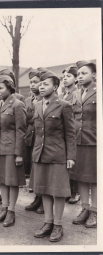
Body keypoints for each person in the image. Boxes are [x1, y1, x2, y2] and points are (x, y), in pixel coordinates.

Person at [32, 71, 76, 242]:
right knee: (44, 189)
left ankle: (58, 225)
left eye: (45, 84)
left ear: (55, 87)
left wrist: (70, 156)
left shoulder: (64, 105)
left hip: (58, 154)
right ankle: (47, 222)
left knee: (57, 192)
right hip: (40, 154)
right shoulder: (37, 105)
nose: (41, 87)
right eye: (40, 84)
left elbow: (70, 134)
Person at [0, 74, 26, 227]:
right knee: (2, 180)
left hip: (11, 149)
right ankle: (4, 208)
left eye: (0, 88)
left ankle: (11, 211)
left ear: (9, 88)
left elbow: (21, 131)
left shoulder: (17, 104)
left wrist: (19, 154)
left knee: (12, 181)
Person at [70, 61, 97, 228]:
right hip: (77, 141)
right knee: (80, 176)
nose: (80, 76)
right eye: (78, 74)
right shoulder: (75, 94)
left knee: (94, 179)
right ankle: (85, 208)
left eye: (84, 73)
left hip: (93, 141)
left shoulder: (98, 92)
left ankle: (95, 210)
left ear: (94, 75)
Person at [24, 68, 46, 214]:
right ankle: (37, 197)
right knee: (35, 170)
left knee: (43, 170)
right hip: (30, 137)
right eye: (31, 82)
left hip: (42, 138)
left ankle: (44, 200)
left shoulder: (45, 100)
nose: (32, 85)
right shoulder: (27, 100)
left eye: (36, 82)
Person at [60, 65, 80, 204]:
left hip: (75, 130)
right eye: (64, 76)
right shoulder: (62, 95)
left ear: (76, 78)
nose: (65, 79)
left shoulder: (77, 93)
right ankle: (68, 189)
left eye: (68, 76)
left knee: (74, 160)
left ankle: (76, 191)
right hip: (63, 131)